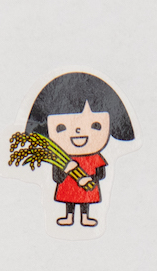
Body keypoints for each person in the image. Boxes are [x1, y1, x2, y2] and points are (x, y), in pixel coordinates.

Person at [25, 73, 135, 227]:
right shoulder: (59, 157)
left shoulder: (94, 157)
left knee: (85, 201)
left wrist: (90, 179)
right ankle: (69, 217)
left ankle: (85, 217)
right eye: (61, 127)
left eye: (95, 126)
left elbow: (101, 173)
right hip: (68, 185)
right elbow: (57, 176)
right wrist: (65, 171)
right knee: (69, 201)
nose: (78, 131)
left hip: (87, 185)